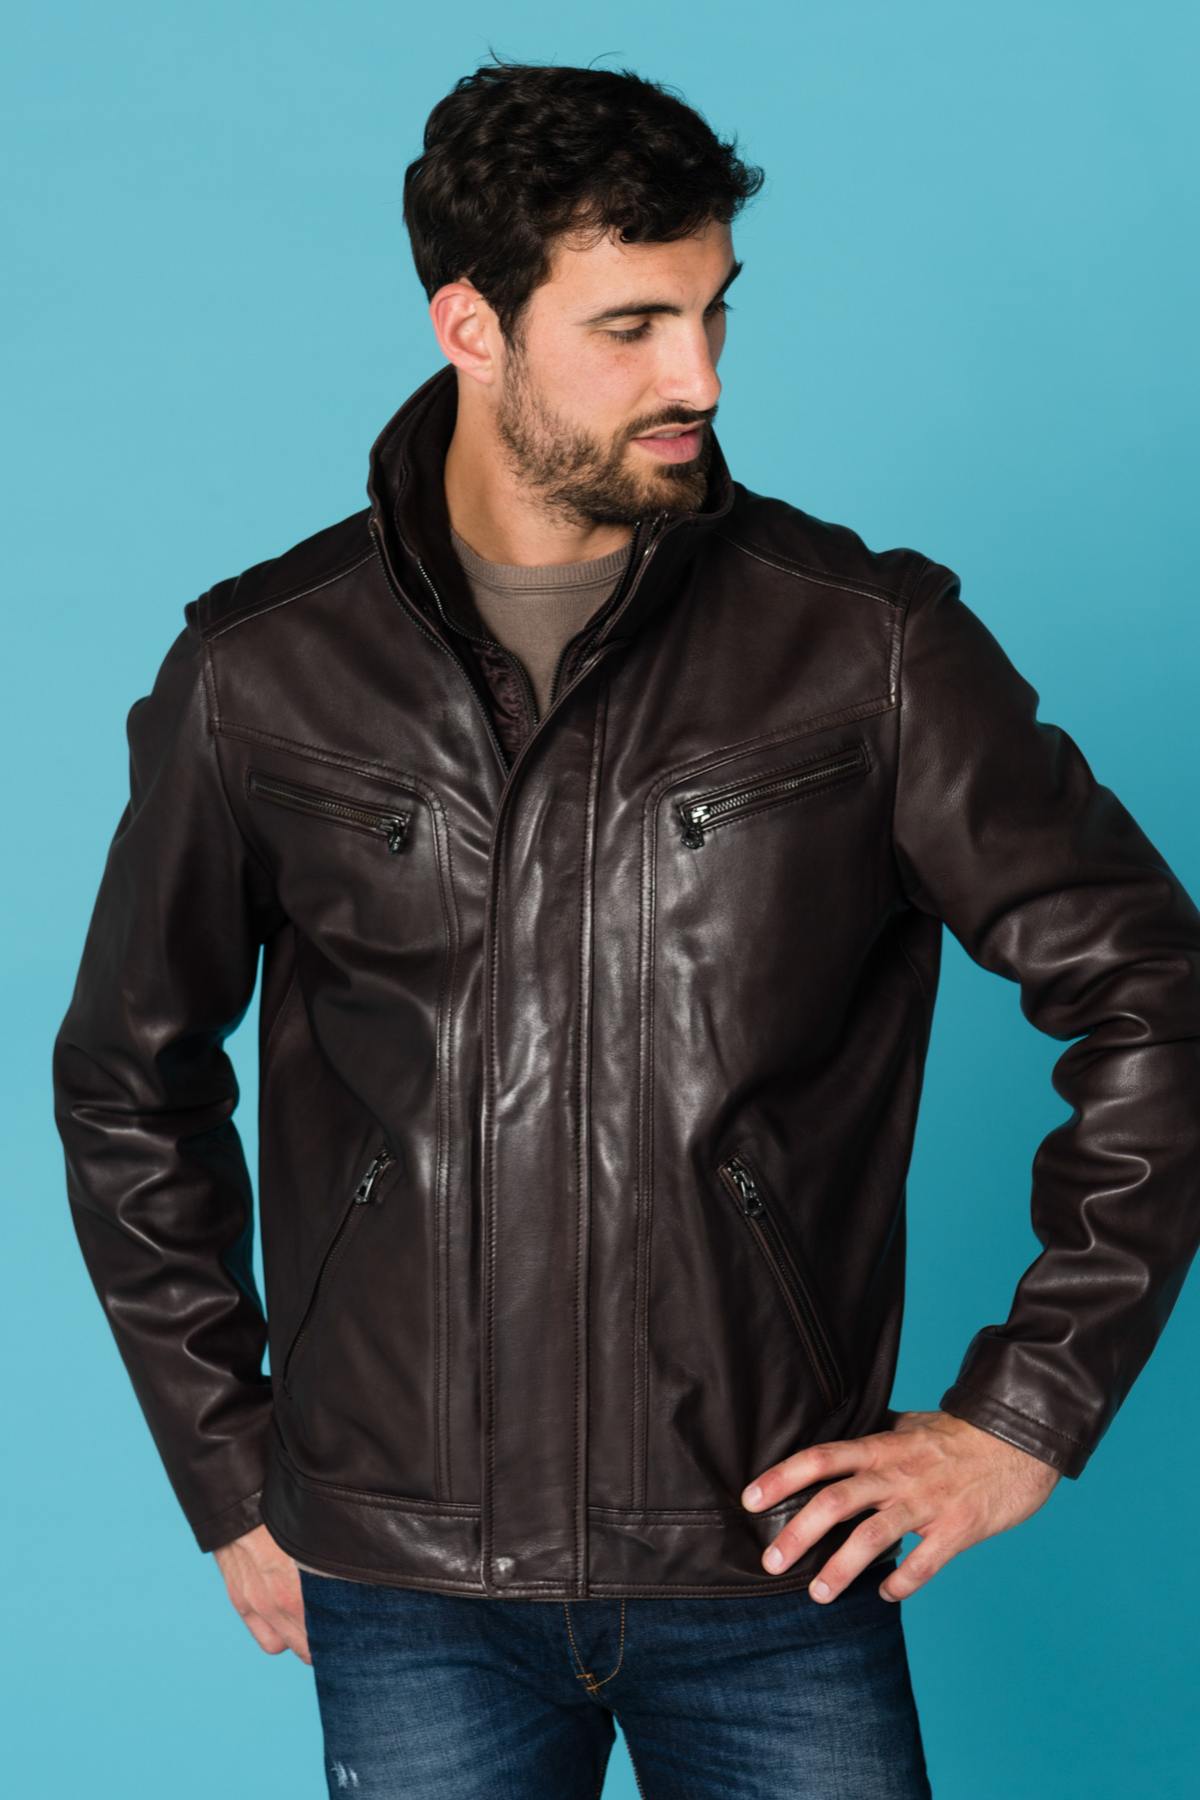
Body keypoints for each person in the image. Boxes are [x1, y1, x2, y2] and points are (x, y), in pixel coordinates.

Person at [51, 55, 1200, 1800]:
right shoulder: (259, 672)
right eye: (635, 326)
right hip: (404, 1578)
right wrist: (228, 1474)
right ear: (471, 326)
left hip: (769, 1559)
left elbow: (1152, 997)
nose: (701, 378)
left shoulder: (866, 648)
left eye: (716, 310)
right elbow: (128, 1082)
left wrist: (1023, 1419)